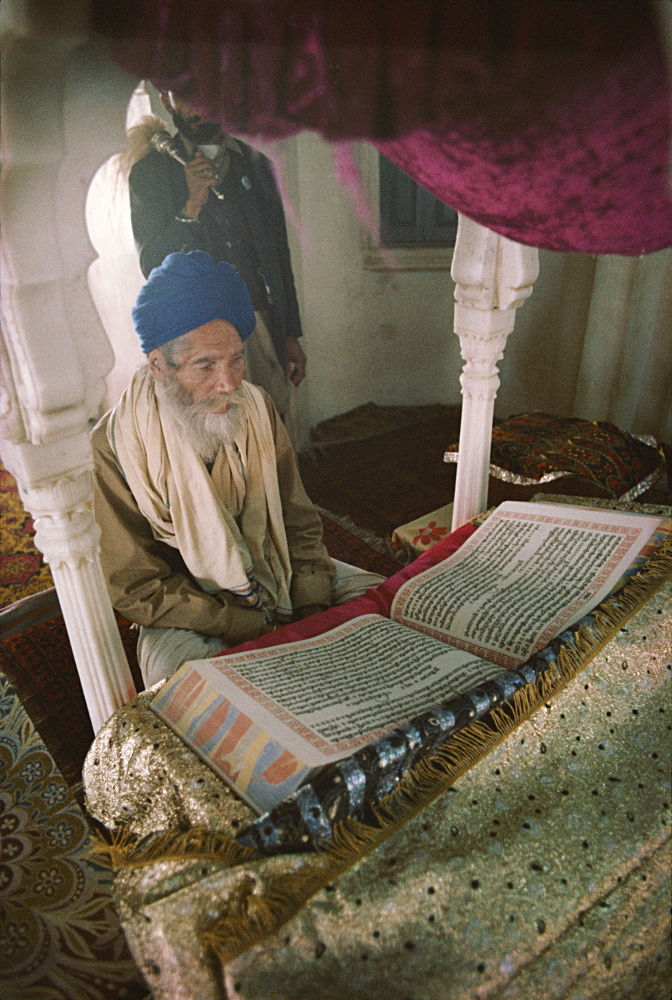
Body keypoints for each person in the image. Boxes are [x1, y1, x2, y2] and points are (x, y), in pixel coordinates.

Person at [91, 251, 383, 687]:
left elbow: (295, 517)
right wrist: (239, 623)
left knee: (384, 605)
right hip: (187, 608)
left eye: (236, 359)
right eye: (205, 365)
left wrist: (309, 603)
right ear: (158, 366)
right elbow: (138, 586)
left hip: (274, 563)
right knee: (187, 691)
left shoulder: (257, 406)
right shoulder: (112, 445)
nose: (229, 383)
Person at [127, 92, 306, 436]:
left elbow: (278, 258)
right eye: (186, 95)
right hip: (198, 336)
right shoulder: (150, 173)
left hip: (261, 325)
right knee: (216, 434)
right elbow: (153, 266)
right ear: (167, 101)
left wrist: (290, 333)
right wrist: (192, 202)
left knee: (270, 425)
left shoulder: (256, 165)